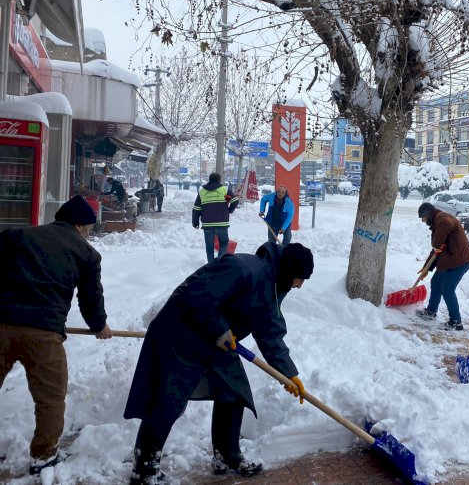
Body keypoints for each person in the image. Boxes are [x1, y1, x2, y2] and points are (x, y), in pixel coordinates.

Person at [124, 242, 314, 484]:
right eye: (300, 278)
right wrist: (221, 329)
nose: (299, 285)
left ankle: (227, 456)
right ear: (289, 271)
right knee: (167, 400)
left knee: (234, 389)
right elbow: (197, 295)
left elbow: (270, 334)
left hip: (215, 342)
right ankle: (144, 471)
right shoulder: (244, 269)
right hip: (180, 333)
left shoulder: (274, 288)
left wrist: (289, 374)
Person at [0, 196, 113, 475]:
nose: (88, 234)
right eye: (87, 229)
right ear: (78, 225)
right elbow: (90, 298)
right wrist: (100, 326)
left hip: (1, 325)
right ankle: (43, 457)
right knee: (50, 398)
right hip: (43, 333)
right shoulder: (86, 254)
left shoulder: (18, 235)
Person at [415, 202, 469, 330]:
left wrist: (437, 243)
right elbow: (437, 250)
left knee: (447, 289)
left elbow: (438, 244)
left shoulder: (442, 220)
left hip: (460, 260)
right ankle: (431, 311)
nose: (422, 221)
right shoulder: (438, 220)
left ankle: (456, 322)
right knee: (436, 282)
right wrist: (427, 268)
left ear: (427, 215)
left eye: (423, 218)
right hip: (450, 259)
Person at [192, 173, 239, 263]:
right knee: (224, 243)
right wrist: (229, 210)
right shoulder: (223, 190)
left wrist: (195, 222)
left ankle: (211, 266)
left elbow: (196, 208)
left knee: (209, 247)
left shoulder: (202, 192)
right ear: (219, 180)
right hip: (222, 223)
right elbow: (235, 200)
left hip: (207, 224)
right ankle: (219, 263)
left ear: (209, 180)